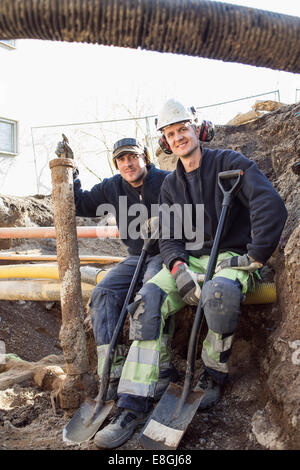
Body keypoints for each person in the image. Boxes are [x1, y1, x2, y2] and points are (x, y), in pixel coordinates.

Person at [123, 98, 287, 438]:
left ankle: (212, 372)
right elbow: (168, 236)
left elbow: (269, 204)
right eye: (171, 133)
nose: (178, 137)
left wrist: (256, 255)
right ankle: (134, 399)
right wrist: (178, 267)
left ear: (197, 129)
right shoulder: (170, 185)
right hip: (192, 259)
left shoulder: (229, 163)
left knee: (220, 294)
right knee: (147, 300)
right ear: (164, 142)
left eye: (183, 128)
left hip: (231, 257)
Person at [55, 136, 174, 448]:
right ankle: (113, 373)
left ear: (144, 158)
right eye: (121, 160)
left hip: (165, 253)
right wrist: (73, 172)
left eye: (133, 157)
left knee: (149, 292)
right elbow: (80, 203)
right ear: (117, 164)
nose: (128, 164)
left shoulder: (165, 181)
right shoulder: (111, 187)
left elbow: (194, 205)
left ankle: (160, 369)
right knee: (103, 292)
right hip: (136, 255)